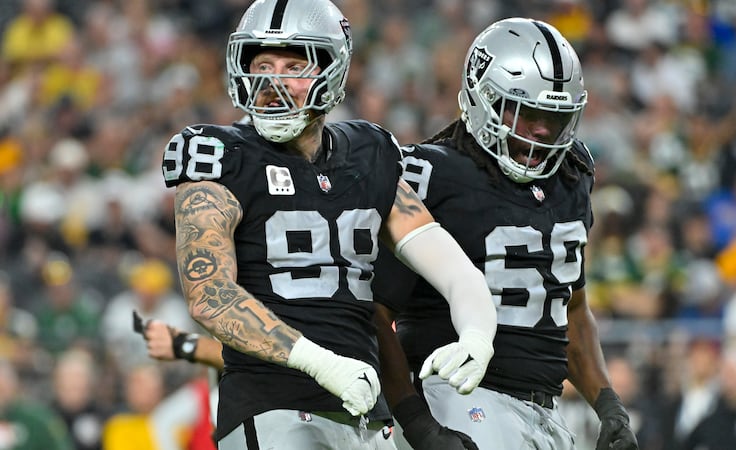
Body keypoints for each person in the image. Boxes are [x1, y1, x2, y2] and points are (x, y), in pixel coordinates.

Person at [159, 0, 497, 449]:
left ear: (332, 72)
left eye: (293, 66)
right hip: (273, 407)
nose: (271, 82)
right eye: (262, 65)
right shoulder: (217, 156)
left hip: (365, 416)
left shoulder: (369, 153)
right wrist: (321, 363)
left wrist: (478, 331)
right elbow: (209, 295)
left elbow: (449, 266)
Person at [372, 18, 639, 450]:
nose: (541, 132)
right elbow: (376, 313)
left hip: (546, 410)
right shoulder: (433, 174)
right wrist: (416, 421)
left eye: (555, 117)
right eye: (529, 112)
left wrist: (609, 405)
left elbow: (570, 308)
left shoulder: (572, 176)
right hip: (457, 397)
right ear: (484, 99)